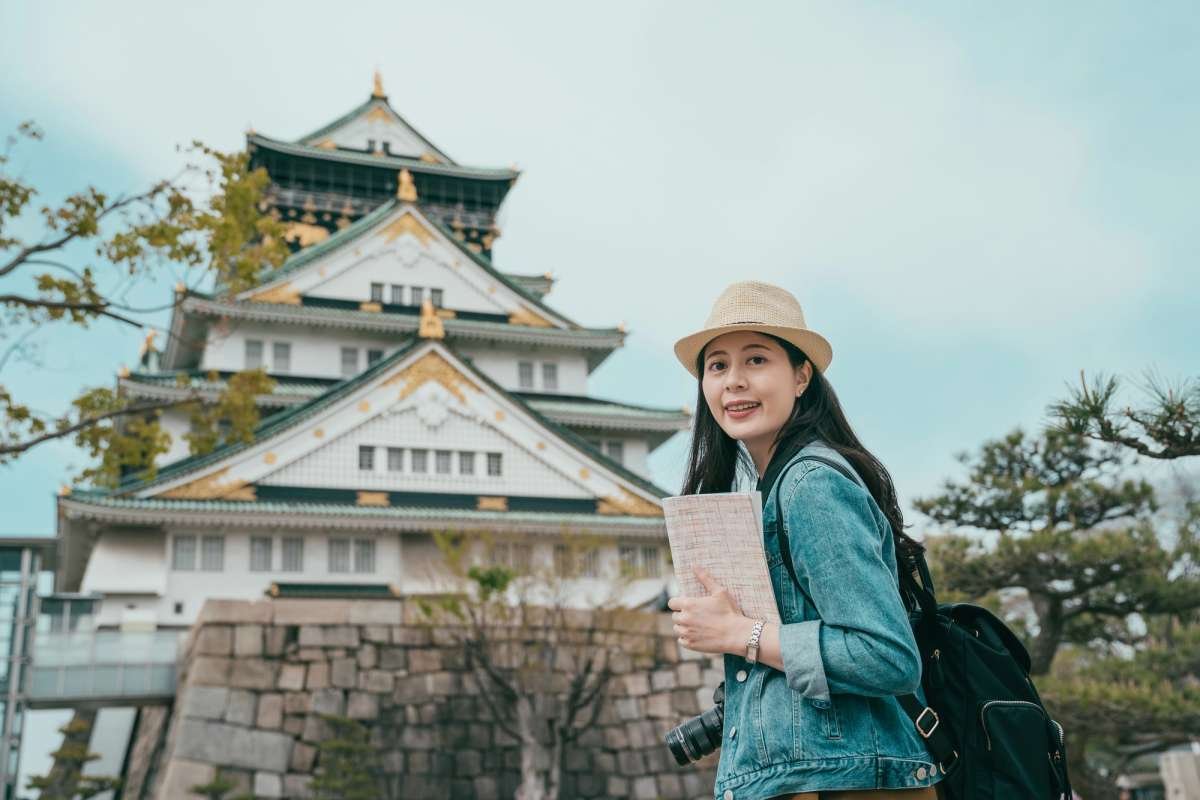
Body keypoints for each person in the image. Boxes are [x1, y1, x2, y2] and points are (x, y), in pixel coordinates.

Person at [666, 281, 943, 800]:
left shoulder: (811, 485)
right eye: (718, 366)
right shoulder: (773, 488)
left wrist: (740, 634)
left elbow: (886, 654)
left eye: (756, 360)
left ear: (800, 377)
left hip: (843, 783)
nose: (734, 382)